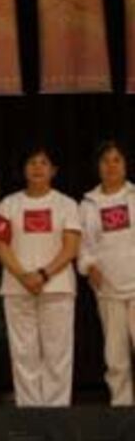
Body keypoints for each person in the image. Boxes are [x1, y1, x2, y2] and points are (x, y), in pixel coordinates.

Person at [0, 145, 80, 407]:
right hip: (17, 288)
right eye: (32, 163)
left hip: (57, 288)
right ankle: (29, 411)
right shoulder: (8, 204)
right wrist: (23, 276)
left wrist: (42, 275)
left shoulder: (67, 204)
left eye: (43, 163)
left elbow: (71, 247)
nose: (37, 168)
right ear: (23, 170)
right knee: (23, 354)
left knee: (57, 354)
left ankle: (56, 412)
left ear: (54, 170)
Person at [78, 140, 135, 405]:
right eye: (105, 161)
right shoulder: (88, 204)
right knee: (115, 356)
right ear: (97, 166)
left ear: (125, 165)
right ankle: (122, 407)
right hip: (108, 290)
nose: (111, 166)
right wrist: (89, 266)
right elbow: (83, 245)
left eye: (116, 160)